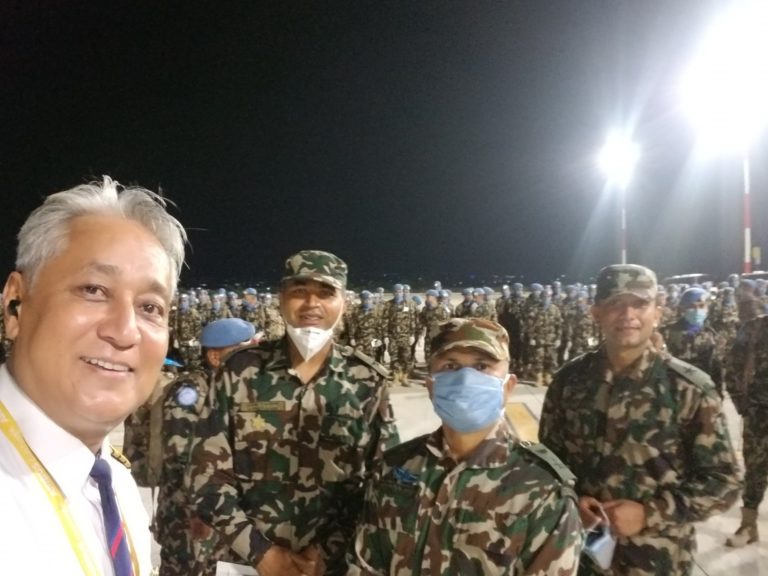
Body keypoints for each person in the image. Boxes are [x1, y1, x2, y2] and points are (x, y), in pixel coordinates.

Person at [0, 176, 186, 575]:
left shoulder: (115, 484)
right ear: (16, 304)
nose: (125, 331)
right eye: (93, 290)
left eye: (150, 307)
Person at [187, 250, 399, 576]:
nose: (311, 303)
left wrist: (326, 552)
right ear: (281, 298)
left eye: (326, 293)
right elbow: (206, 475)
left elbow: (384, 483)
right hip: (247, 563)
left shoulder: (367, 381)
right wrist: (261, 553)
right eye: (299, 291)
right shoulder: (240, 371)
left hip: (334, 564)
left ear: (344, 302)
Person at [539, 264, 741, 576]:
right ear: (596, 313)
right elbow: (549, 464)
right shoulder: (569, 381)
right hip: (582, 555)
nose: (627, 314)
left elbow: (724, 482)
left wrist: (650, 514)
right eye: (615, 304)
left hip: (658, 560)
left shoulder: (688, 388)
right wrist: (571, 500)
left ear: (658, 312)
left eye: (639, 304)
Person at [349, 317, 583, 575]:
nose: (465, 379)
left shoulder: (543, 490)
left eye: (482, 366)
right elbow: (365, 563)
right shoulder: (393, 468)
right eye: (450, 366)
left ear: (508, 387)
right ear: (430, 386)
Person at [123, 318, 256, 576]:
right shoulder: (190, 392)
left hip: (219, 514)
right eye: (243, 351)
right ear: (215, 357)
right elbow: (179, 458)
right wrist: (201, 510)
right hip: (188, 518)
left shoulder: (230, 390)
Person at [724, 312, 768, 547]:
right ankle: (748, 525)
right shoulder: (754, 328)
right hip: (760, 413)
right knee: (755, 470)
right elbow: (732, 366)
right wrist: (743, 404)